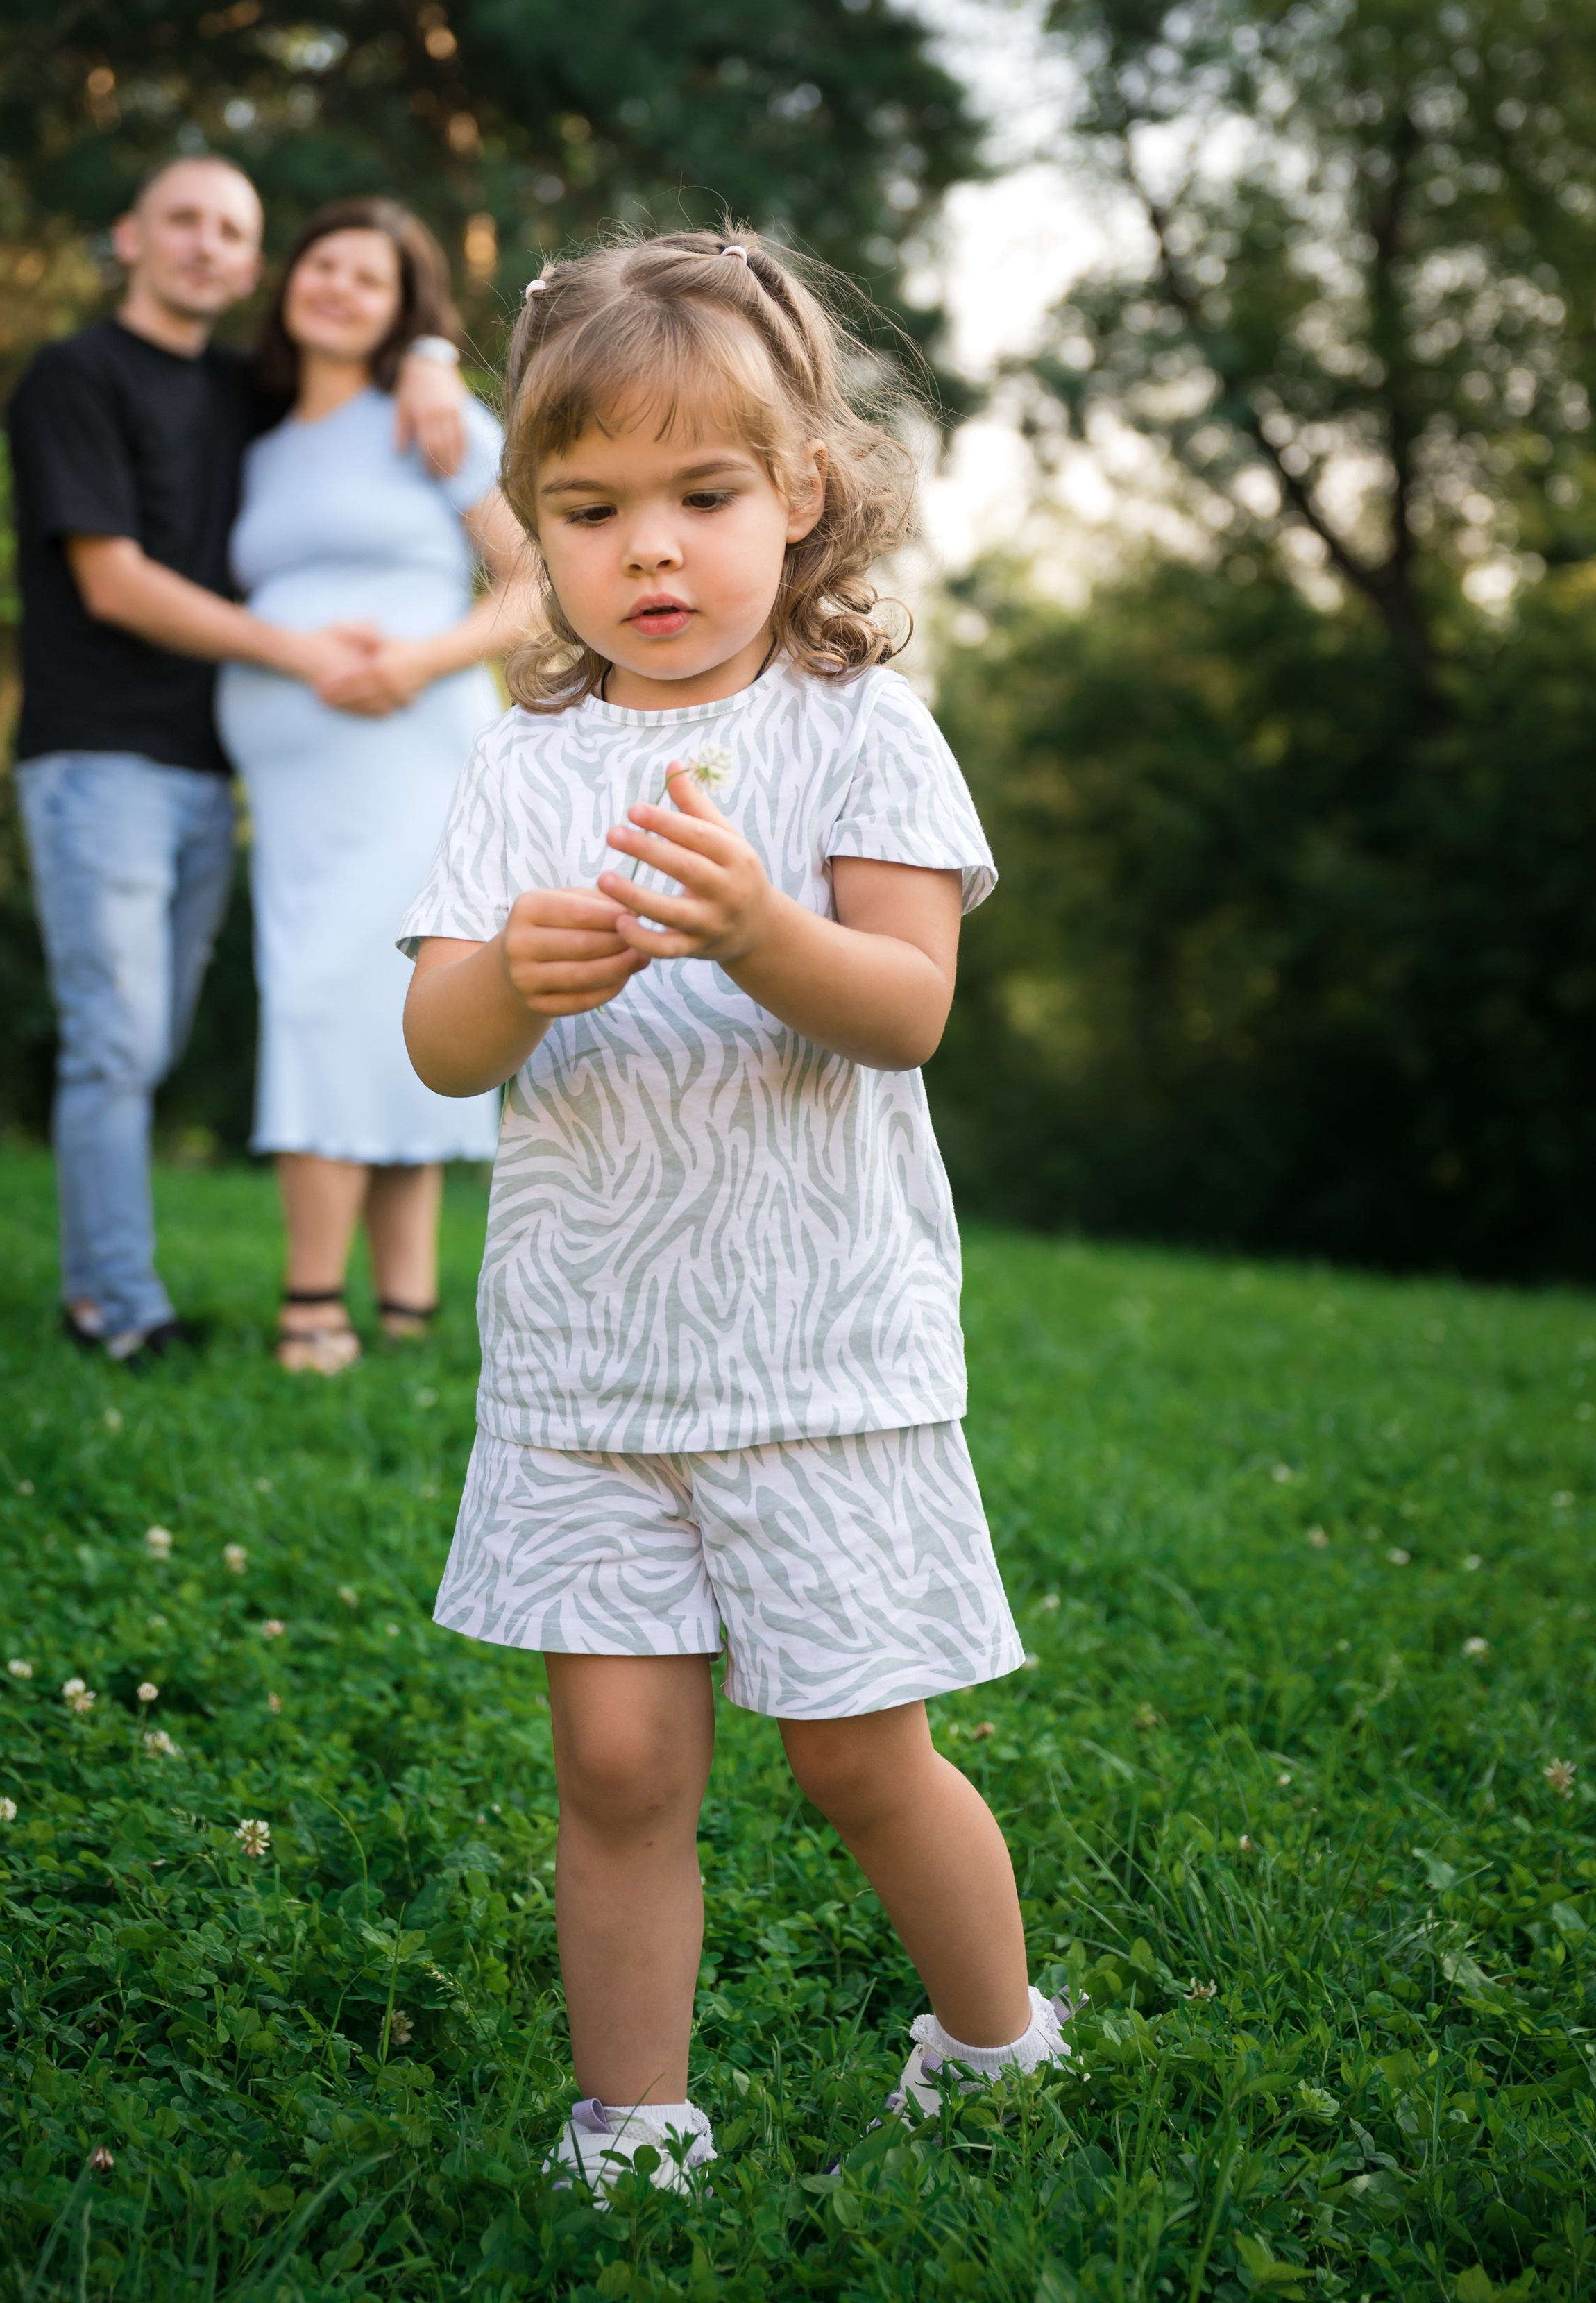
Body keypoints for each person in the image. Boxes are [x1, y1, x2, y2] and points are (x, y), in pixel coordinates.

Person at [398, 228, 1071, 2197]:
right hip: (591, 1365)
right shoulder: (524, 765)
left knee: (858, 1751)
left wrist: (765, 930)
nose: (653, 552)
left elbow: (905, 1005)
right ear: (535, 530)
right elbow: (439, 1043)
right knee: (615, 1766)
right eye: (592, 510)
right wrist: (517, 976)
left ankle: (996, 2041)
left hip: (819, 1351)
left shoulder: (863, 729)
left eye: (703, 495)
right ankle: (636, 2116)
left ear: (801, 497)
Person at [8, 155, 471, 1364]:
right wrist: (309, 656)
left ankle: (390, 1300)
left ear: (248, 265)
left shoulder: (244, 397)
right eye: (183, 221)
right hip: (107, 751)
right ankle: (116, 1302)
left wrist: (431, 357)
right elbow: (109, 579)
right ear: (130, 236)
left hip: (228, 765)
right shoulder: (77, 377)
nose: (206, 245)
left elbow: (382, 392)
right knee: (126, 1038)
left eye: (232, 229)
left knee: (179, 1033)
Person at [217, 199, 535, 1375]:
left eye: (374, 276)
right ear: (288, 282)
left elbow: (538, 584)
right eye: (325, 265)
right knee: (318, 989)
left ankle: (338, 1303)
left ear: (409, 308)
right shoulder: (247, 439)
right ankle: (389, 1301)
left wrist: (412, 659)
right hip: (296, 775)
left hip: (417, 747)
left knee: (391, 989)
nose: (342, 287)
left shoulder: (434, 416)